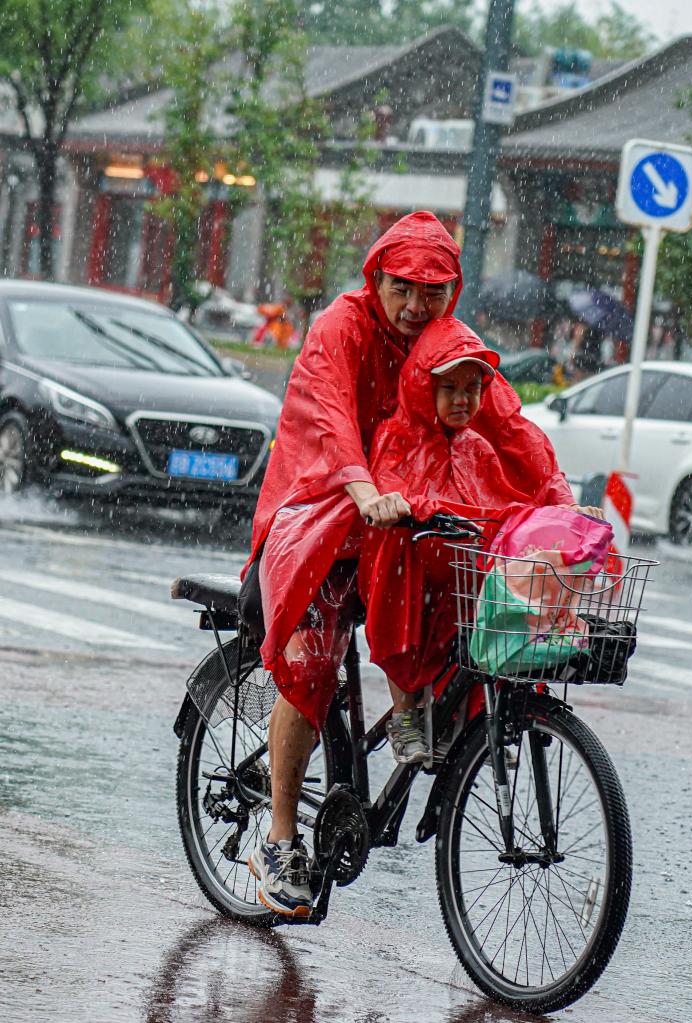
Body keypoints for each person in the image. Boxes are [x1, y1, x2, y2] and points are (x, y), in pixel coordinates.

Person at [241, 211, 575, 919]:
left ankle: (423, 710)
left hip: (403, 513)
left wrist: (561, 509)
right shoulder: (340, 326)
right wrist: (364, 490)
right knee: (314, 656)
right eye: (403, 288)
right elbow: (333, 420)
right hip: (319, 503)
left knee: (468, 598)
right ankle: (277, 835)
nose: (415, 305)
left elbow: (505, 421)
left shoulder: (442, 342)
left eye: (433, 291)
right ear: (376, 279)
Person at [359, 316, 600, 763]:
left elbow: (518, 494)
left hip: (463, 564)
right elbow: (388, 482)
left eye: (472, 389)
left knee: (504, 604)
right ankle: (405, 713)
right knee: (402, 602)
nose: (462, 400)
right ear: (423, 387)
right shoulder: (399, 435)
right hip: (416, 561)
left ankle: (473, 719)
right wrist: (397, 505)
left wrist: (563, 515)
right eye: (449, 388)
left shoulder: (478, 445)